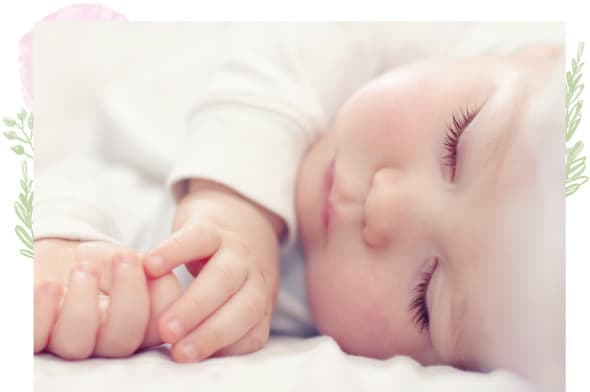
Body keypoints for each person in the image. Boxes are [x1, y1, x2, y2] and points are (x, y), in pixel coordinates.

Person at [33, 22, 564, 391]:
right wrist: (231, 202)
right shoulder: (458, 36)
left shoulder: (290, 310)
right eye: (455, 145)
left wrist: (83, 267)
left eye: (426, 297)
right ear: (542, 51)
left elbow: (133, 230)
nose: (384, 207)